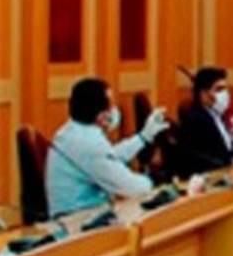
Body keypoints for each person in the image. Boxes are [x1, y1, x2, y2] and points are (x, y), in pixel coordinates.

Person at [46, 77, 169, 217]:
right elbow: (132, 188)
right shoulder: (89, 144)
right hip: (77, 221)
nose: (114, 110)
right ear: (102, 116)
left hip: (81, 215)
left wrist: (143, 137)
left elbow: (111, 157)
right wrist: (156, 182)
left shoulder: (73, 131)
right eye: (111, 106)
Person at [175, 66, 233, 177]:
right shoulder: (196, 121)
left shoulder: (217, 115)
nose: (225, 94)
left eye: (225, 89)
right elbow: (201, 160)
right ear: (203, 94)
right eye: (219, 89)